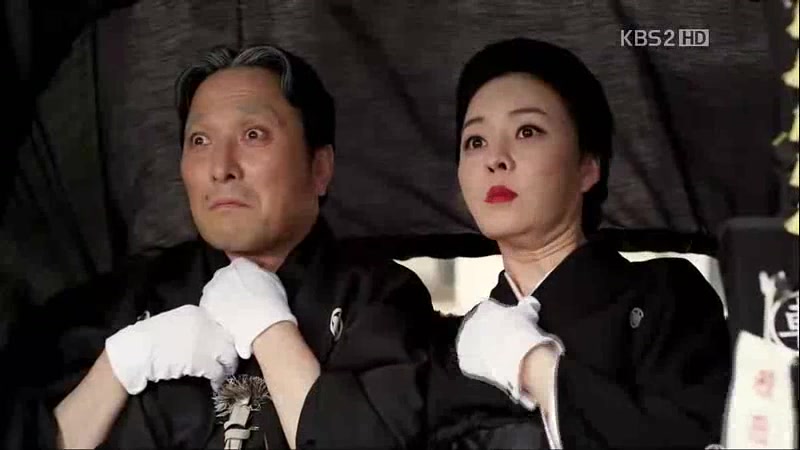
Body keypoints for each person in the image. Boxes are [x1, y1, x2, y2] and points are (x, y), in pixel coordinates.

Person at [1, 45, 433, 449]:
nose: (221, 168)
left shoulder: (380, 300)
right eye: (200, 141)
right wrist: (115, 368)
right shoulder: (123, 300)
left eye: (253, 134)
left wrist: (272, 333)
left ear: (319, 168)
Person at [426, 38, 732, 449]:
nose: (495, 158)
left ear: (588, 167)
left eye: (527, 131)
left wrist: (537, 367)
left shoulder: (666, 296)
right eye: (475, 141)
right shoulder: (466, 343)